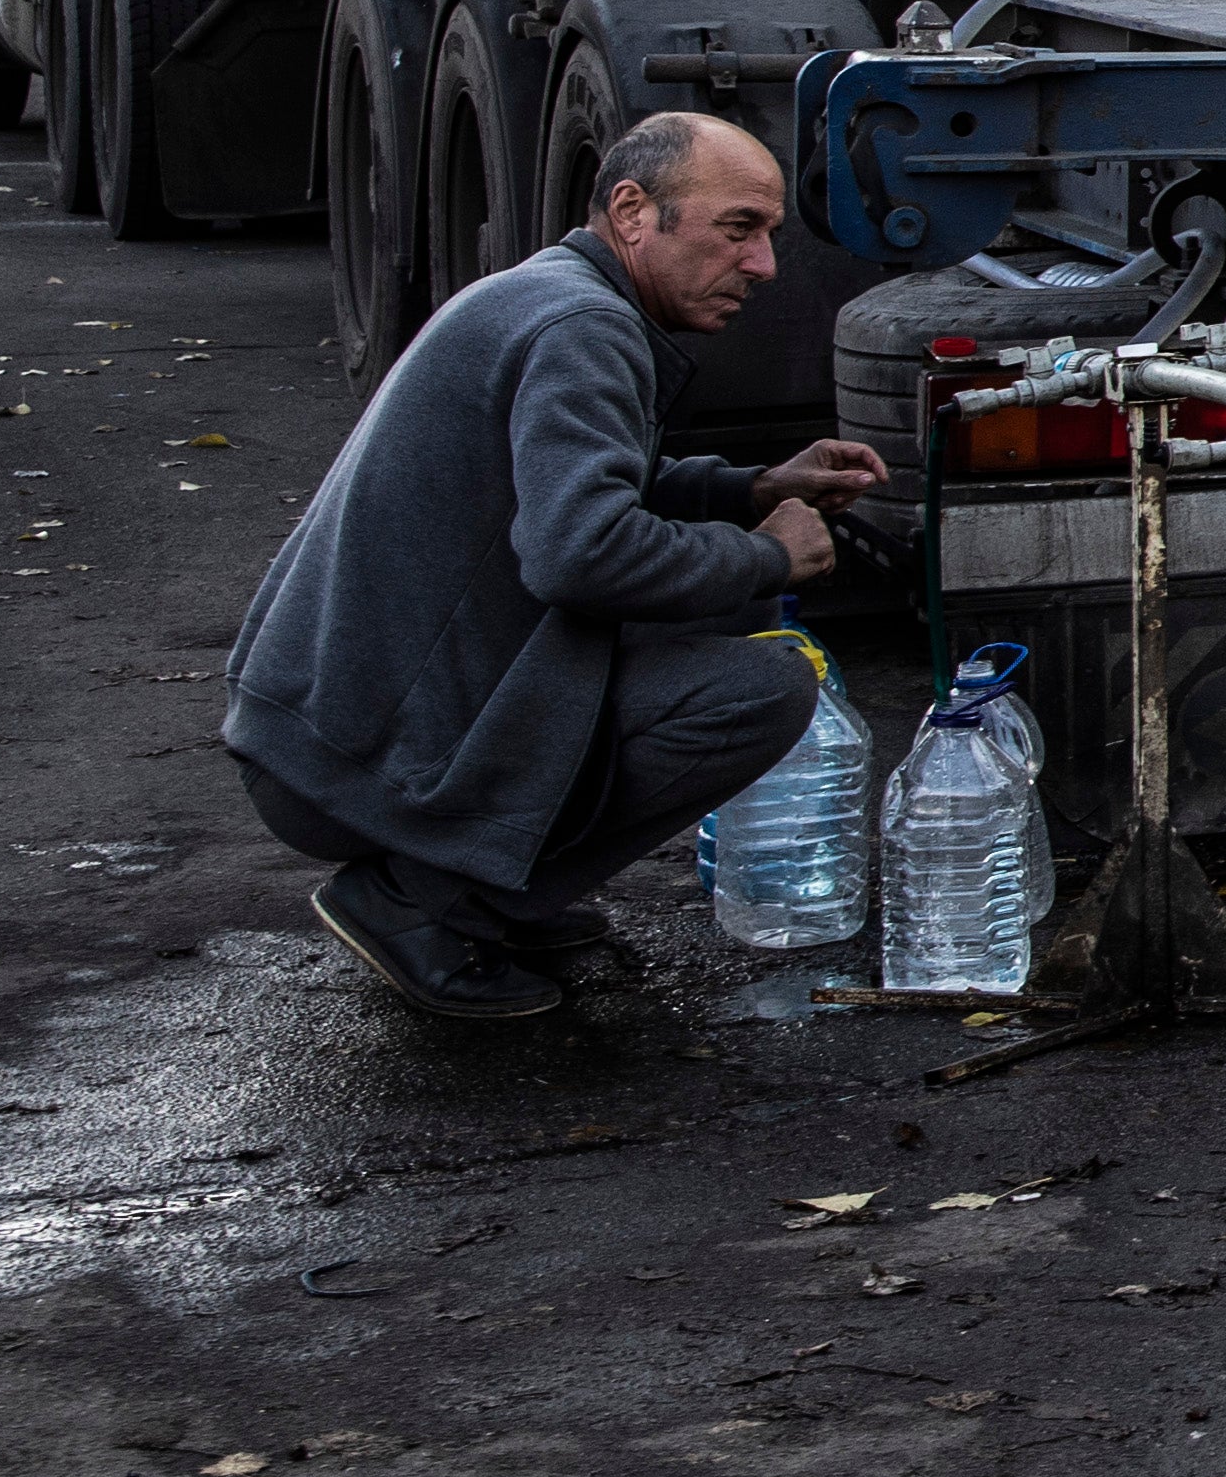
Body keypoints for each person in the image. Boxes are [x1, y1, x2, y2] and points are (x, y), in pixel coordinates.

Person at [227, 111, 887, 1025]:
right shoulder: (585, 328)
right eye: (738, 230)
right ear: (631, 212)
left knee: (687, 612)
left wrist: (751, 488)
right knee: (760, 689)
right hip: (355, 768)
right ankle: (423, 900)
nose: (765, 266)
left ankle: (486, 895)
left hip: (321, 737)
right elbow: (581, 553)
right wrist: (769, 552)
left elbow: (584, 487)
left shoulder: (548, 296)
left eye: (769, 235)